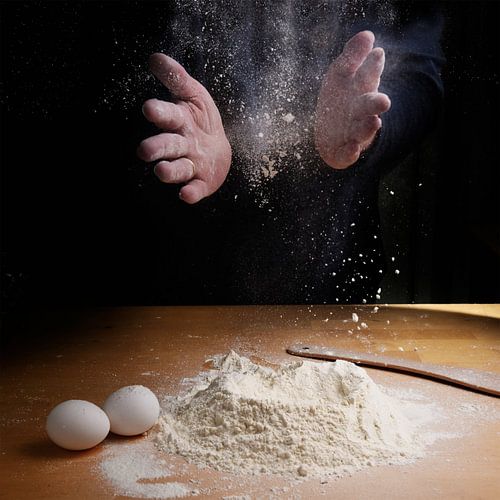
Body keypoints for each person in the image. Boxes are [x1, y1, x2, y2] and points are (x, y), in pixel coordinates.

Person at [137, 1, 444, 305]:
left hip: (331, 272)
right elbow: (115, 58)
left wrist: (367, 126)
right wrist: (169, 120)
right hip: (167, 276)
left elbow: (418, 74)